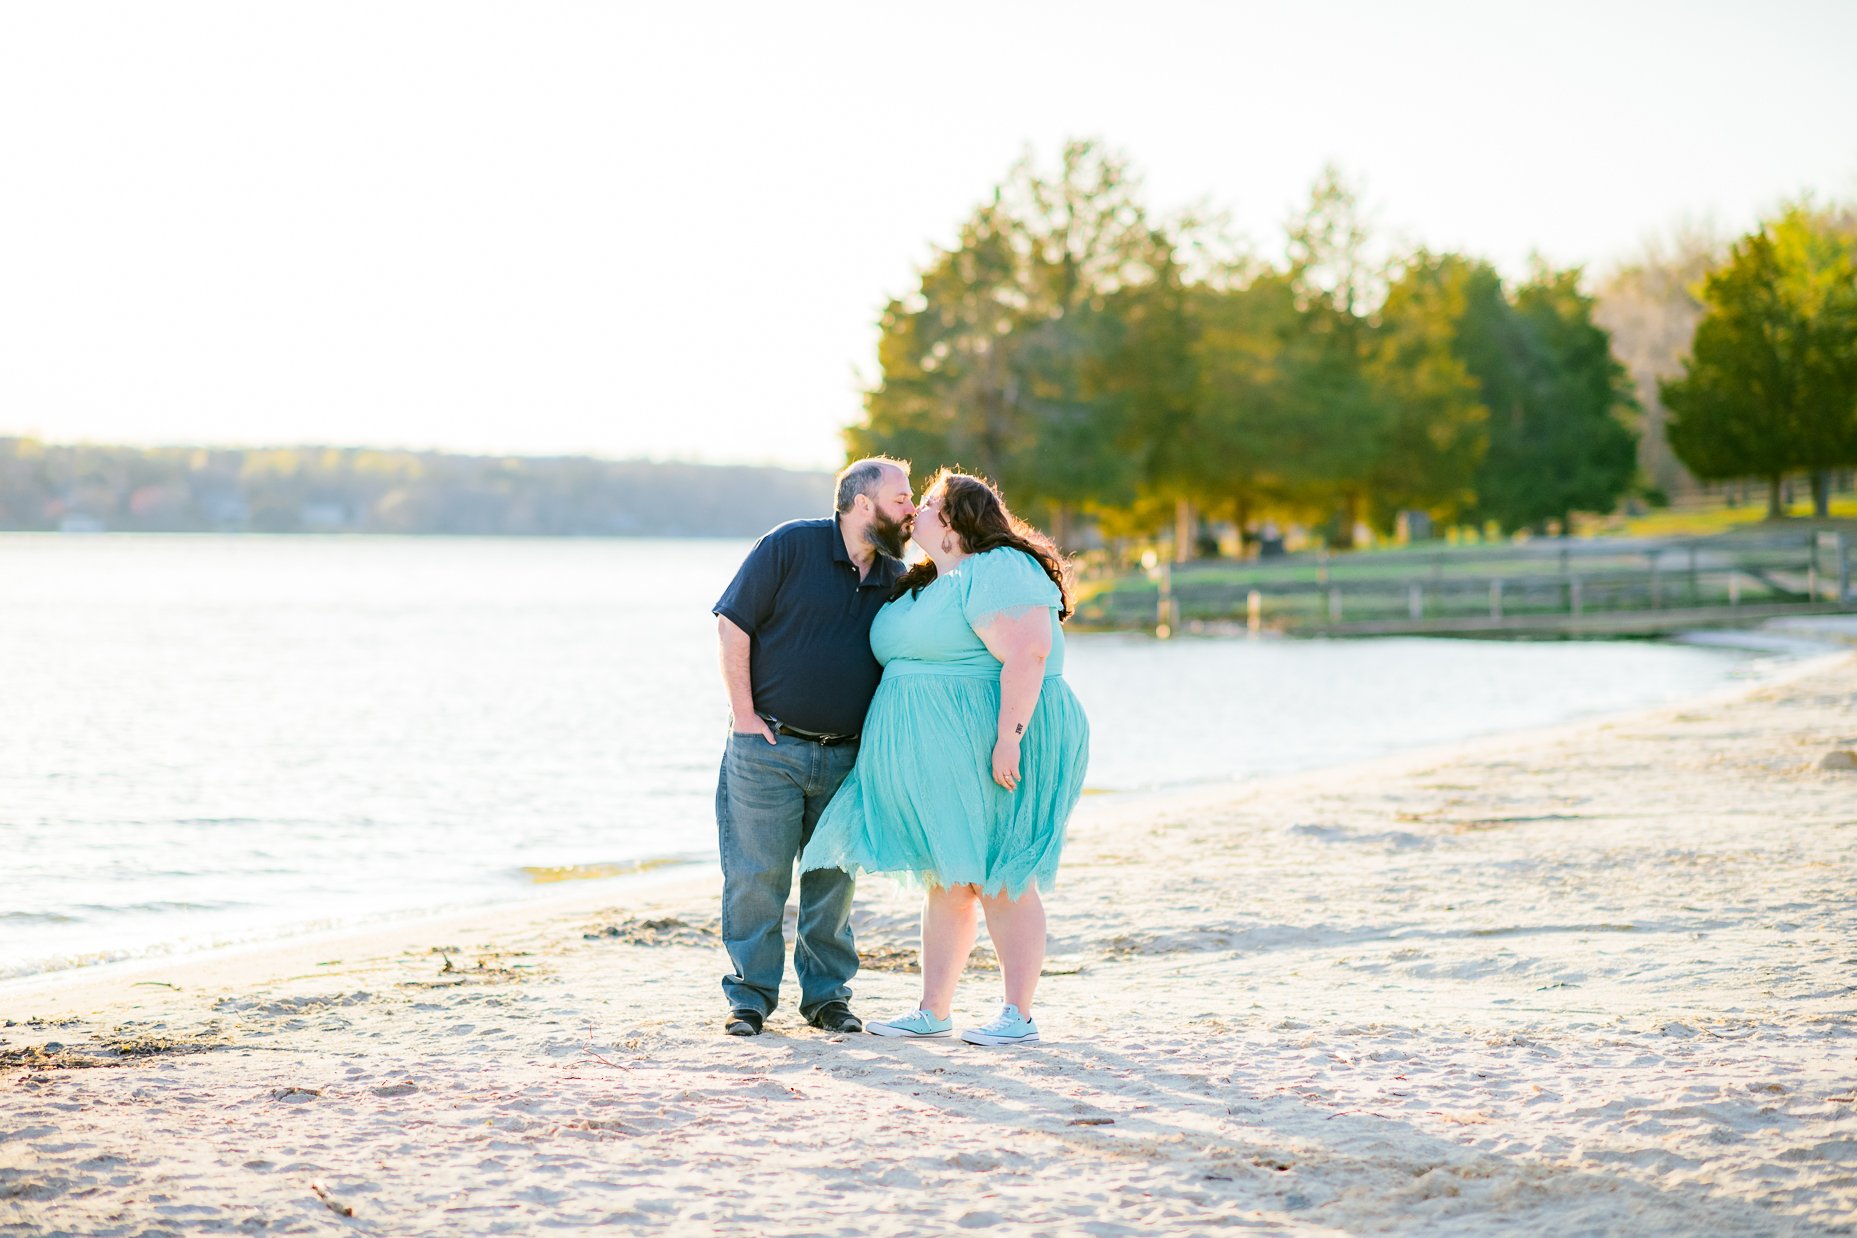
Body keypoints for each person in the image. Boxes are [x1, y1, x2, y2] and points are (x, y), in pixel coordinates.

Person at [799, 469, 1089, 1046]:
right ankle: (934, 1010)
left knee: (1000, 872)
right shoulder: (928, 581)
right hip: (944, 751)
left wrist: (1009, 738)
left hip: (993, 738)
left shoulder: (998, 566)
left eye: (926, 503)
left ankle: (1018, 1014)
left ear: (954, 520)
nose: (914, 513)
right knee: (949, 878)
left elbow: (1029, 653)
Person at [711, 457, 916, 1037]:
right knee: (756, 877)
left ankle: (827, 1000)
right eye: (901, 498)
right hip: (767, 749)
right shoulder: (789, 546)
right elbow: (733, 625)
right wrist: (746, 716)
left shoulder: (897, 577)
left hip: (849, 757)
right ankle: (750, 999)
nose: (911, 508)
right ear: (860, 504)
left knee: (834, 882)